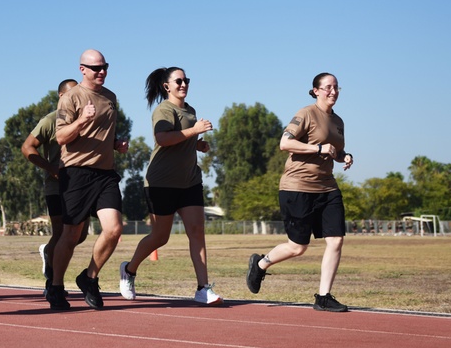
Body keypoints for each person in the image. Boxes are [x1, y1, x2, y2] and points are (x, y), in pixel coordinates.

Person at [245, 72, 354, 313]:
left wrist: (345, 156)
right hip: (297, 187)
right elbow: (285, 143)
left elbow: (334, 151)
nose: (333, 91)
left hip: (327, 187)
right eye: (328, 87)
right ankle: (260, 264)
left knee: (336, 240)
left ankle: (323, 297)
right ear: (316, 90)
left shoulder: (338, 121)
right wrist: (317, 147)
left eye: (336, 87)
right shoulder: (306, 113)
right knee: (298, 247)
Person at [118, 67, 221, 305]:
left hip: (189, 181)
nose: (184, 84)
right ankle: (129, 270)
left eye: (186, 80)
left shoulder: (191, 110)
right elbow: (162, 138)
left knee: (197, 232)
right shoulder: (163, 109)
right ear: (167, 86)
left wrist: (198, 145)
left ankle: (203, 288)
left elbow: (181, 139)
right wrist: (194, 131)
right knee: (159, 237)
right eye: (179, 81)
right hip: (161, 183)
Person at [46, 49, 128, 310]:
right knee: (70, 235)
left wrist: (116, 144)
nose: (101, 71)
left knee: (114, 229)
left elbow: (102, 133)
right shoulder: (70, 98)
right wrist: (82, 119)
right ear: (82, 69)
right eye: (96, 68)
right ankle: (56, 286)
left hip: (105, 174)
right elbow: (61, 138)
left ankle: (89, 277)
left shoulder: (111, 98)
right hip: (76, 172)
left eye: (105, 67)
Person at [21, 79, 89, 293]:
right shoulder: (51, 120)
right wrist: (52, 169)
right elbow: (27, 147)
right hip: (57, 187)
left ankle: (49, 251)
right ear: (62, 97)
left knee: (81, 234)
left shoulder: (86, 119)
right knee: (61, 233)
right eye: (72, 93)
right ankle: (53, 283)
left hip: (82, 186)